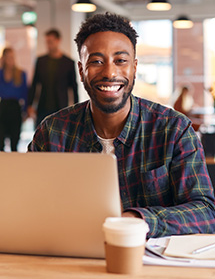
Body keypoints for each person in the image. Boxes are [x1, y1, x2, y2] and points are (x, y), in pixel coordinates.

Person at [28, 13, 215, 238]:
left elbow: (206, 212)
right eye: (96, 61)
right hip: (72, 259)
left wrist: (137, 220)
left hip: (152, 267)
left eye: (120, 60)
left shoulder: (174, 129)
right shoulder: (52, 132)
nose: (109, 73)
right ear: (81, 71)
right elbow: (28, 206)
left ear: (134, 67)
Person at [27, 28, 79, 127]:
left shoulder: (68, 63)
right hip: (43, 107)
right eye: (47, 42)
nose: (48, 45)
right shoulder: (41, 61)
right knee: (41, 135)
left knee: (59, 137)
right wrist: (30, 105)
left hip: (61, 107)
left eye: (50, 42)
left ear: (58, 40)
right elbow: (34, 84)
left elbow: (73, 88)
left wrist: (76, 109)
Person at [0, 47, 27, 151]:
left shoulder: (20, 74)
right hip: (3, 108)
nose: (9, 60)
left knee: (14, 141)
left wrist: (24, 111)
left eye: (11, 57)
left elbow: (25, 94)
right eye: (7, 57)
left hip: (15, 108)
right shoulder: (1, 74)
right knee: (0, 141)